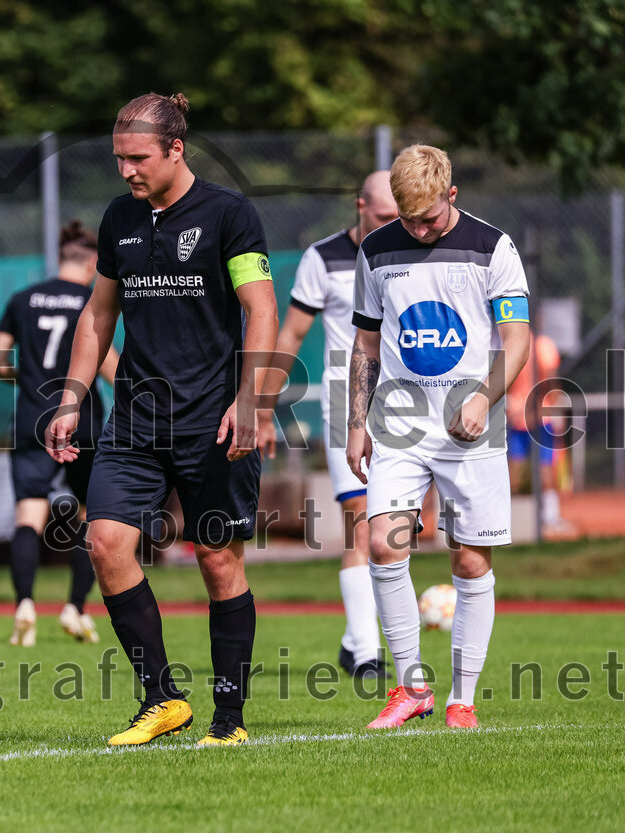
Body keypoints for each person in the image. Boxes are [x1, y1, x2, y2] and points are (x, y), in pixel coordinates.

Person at [46, 93, 278, 746]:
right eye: (119, 158)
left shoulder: (229, 214)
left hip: (214, 422)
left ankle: (228, 720)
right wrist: (71, 397)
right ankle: (162, 698)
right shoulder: (119, 217)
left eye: (138, 158)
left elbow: (261, 309)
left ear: (176, 149)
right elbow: (98, 315)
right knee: (104, 542)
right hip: (135, 421)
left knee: (217, 560)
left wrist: (250, 399)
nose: (127, 171)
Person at [346, 144, 530, 729]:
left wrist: (482, 398)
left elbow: (517, 339)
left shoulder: (493, 247)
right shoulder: (376, 249)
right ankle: (411, 690)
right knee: (383, 545)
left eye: (429, 218)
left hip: (472, 427)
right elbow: (366, 344)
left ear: (452, 195)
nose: (419, 230)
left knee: (470, 561)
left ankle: (461, 701)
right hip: (399, 425)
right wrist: (356, 422)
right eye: (408, 219)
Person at [259, 171, 398, 680]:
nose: (393, 225)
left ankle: (352, 639)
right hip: (346, 403)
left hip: (405, 406)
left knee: (393, 531)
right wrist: (263, 407)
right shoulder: (324, 258)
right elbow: (292, 335)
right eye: (384, 216)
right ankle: (367, 652)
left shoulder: (413, 251)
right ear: (361, 206)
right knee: (360, 520)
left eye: (400, 215)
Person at [0, 220, 118, 646]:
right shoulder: (91, 302)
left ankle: (24, 604)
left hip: (31, 420)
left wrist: (26, 379)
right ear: (94, 263)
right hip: (82, 421)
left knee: (29, 515)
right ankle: (75, 608)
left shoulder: (23, 299)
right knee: (90, 515)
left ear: (61, 257)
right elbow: (110, 367)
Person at [506, 332, 570, 530]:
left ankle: (513, 521)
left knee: (515, 469)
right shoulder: (543, 345)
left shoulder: (509, 344)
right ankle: (550, 518)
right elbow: (551, 380)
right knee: (545, 467)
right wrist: (556, 409)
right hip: (542, 416)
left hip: (516, 415)